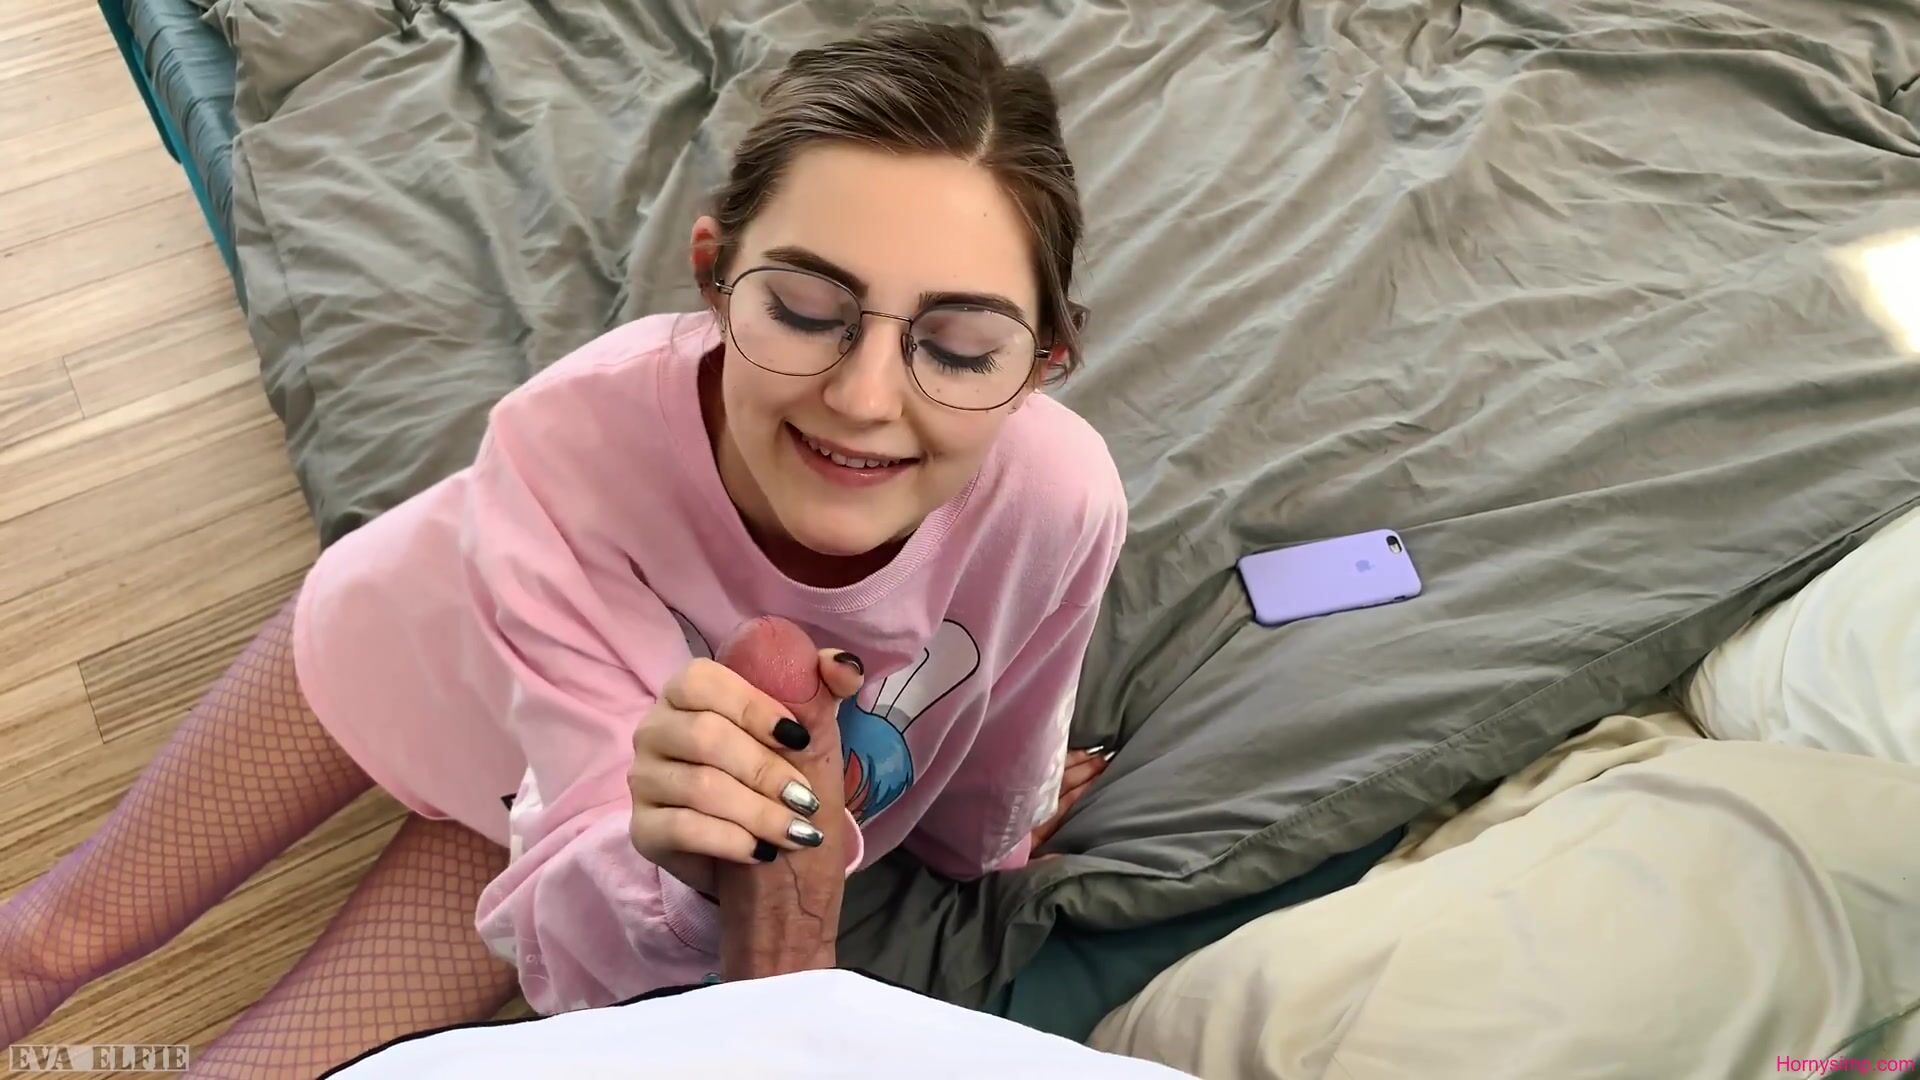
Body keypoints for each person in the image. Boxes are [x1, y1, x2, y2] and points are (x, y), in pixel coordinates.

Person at [0, 17, 1125, 1077]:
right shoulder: (566, 441)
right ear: (714, 276)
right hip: (427, 656)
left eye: (959, 348)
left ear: (1042, 363)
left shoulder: (1060, 504)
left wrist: (989, 847)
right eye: (802, 310)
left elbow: (1000, 730)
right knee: (48, 939)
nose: (865, 399)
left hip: (578, 808)